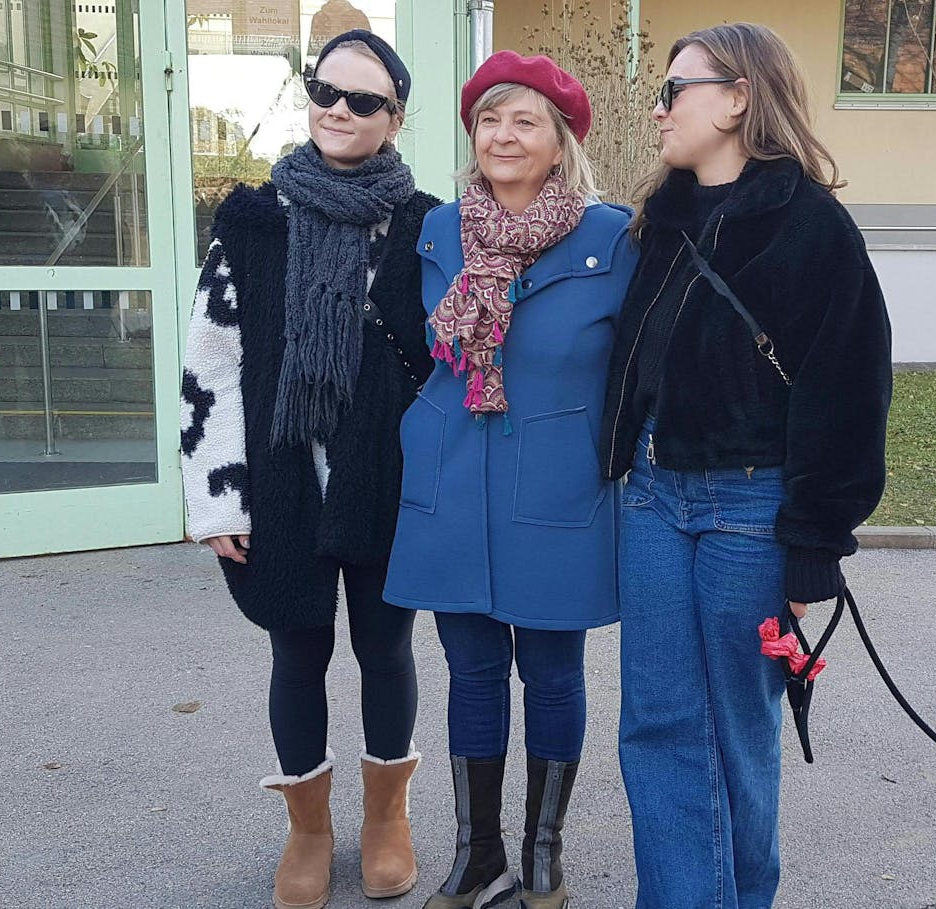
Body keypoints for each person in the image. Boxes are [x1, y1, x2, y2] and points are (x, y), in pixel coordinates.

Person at [598, 22, 893, 909]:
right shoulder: (662, 219)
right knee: (654, 726)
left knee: (735, 731)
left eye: (674, 89)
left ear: (738, 97)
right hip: (651, 499)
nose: (657, 109)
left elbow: (847, 390)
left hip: (749, 512)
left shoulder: (810, 227)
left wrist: (814, 540)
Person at [178, 29, 439, 909]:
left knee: (385, 647)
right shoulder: (254, 220)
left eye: (362, 100)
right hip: (284, 475)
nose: (338, 108)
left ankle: (384, 821)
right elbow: (209, 361)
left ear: (394, 117)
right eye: (325, 89)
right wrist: (216, 494)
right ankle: (308, 828)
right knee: (298, 649)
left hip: (385, 478)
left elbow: (450, 357)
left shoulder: (423, 224)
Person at [383, 51, 637, 909]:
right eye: (490, 118)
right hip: (454, 479)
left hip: (559, 487)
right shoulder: (441, 231)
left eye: (525, 120)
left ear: (560, 144)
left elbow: (639, 369)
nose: (503, 134)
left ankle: (543, 857)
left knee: (555, 673)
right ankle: (477, 853)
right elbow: (419, 351)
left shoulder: (612, 237)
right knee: (471, 669)